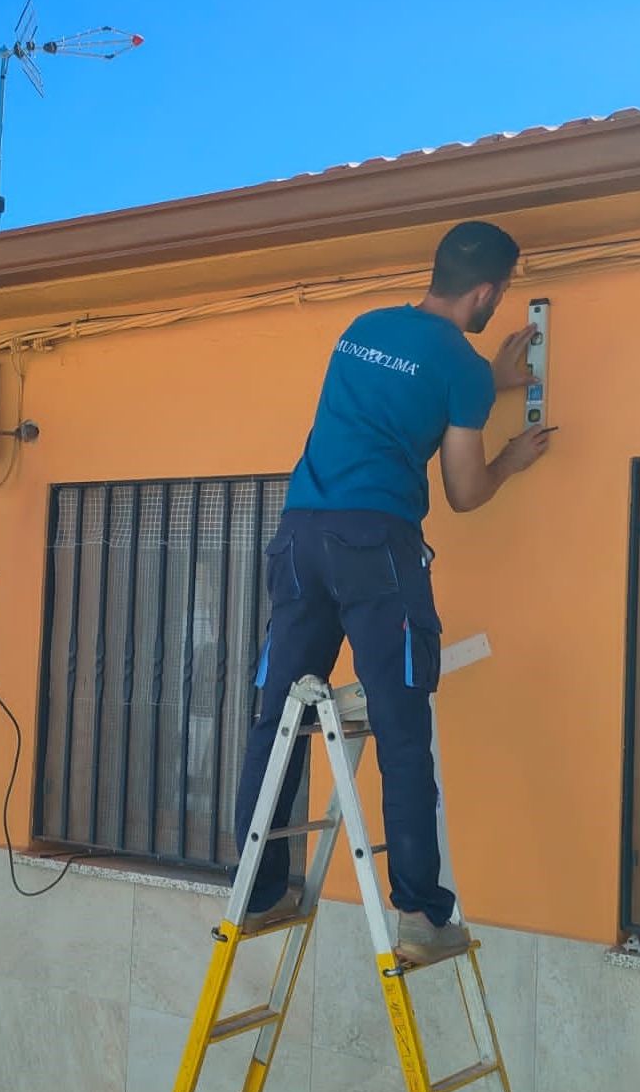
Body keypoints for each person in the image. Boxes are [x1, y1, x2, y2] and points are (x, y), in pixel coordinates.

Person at [232, 220, 552, 963]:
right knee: (402, 726)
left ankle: (255, 890)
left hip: (300, 539)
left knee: (274, 719)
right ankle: (419, 915)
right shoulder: (461, 370)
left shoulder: (363, 327)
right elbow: (464, 489)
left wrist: (486, 383)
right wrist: (508, 456)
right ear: (485, 291)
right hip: (377, 548)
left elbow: (396, 394)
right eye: (496, 296)